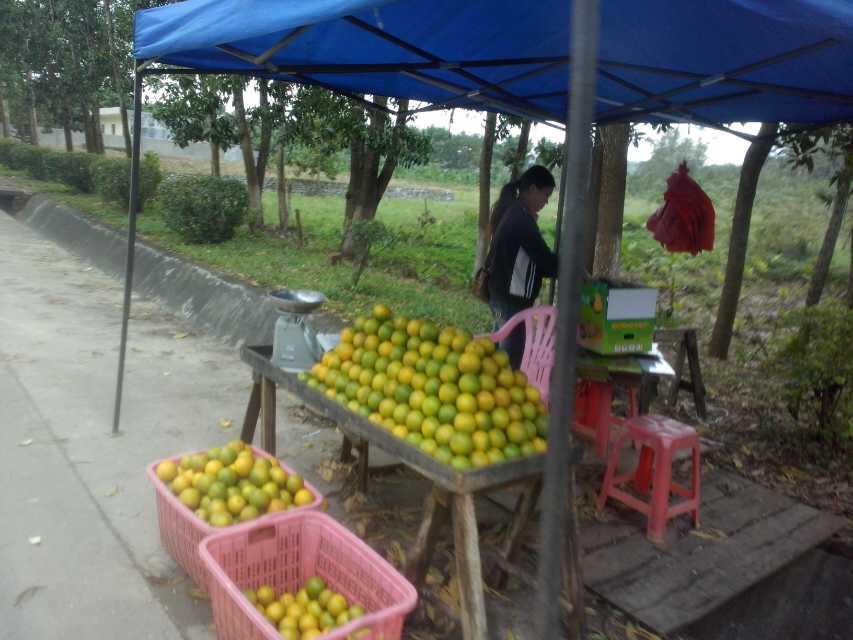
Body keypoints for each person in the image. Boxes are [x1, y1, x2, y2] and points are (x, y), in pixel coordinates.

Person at [486, 165, 558, 369]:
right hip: (509, 299)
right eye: (546, 195)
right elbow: (546, 262)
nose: (546, 202)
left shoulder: (517, 212)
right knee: (508, 357)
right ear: (533, 189)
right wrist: (571, 267)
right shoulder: (520, 219)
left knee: (500, 351)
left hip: (503, 294)